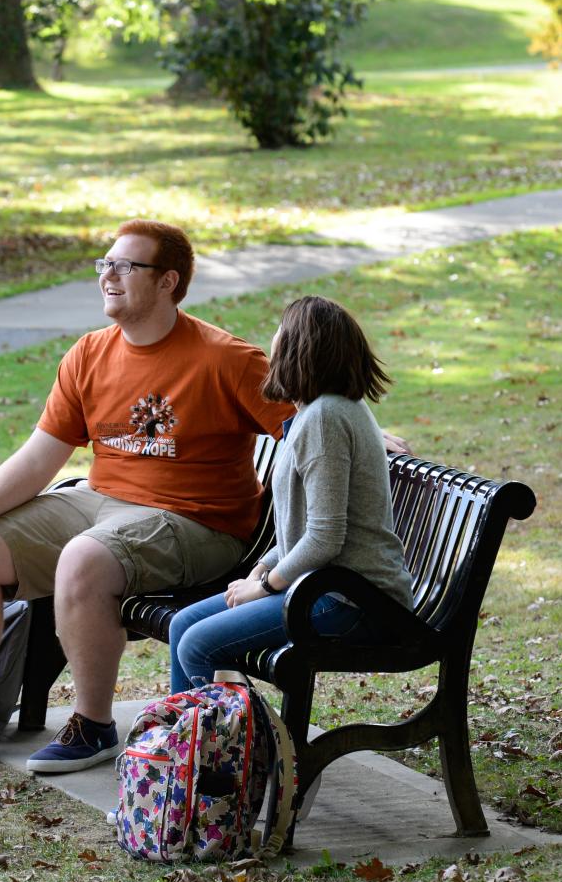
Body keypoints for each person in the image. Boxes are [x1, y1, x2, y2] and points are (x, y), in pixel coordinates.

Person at [0, 219, 297, 774]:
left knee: (83, 557)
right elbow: (40, 456)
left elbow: (302, 422)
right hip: (102, 502)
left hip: (197, 522)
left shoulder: (225, 358)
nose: (109, 275)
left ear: (168, 281)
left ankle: (93, 726)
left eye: (126, 265)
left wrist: (364, 431)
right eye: (105, 264)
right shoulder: (89, 354)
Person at [168, 295, 414, 695]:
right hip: (322, 586)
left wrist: (263, 588)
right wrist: (260, 570)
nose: (273, 338)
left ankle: (227, 750)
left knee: (198, 644)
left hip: (352, 599)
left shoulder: (326, 419)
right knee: (182, 626)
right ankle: (198, 744)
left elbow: (324, 537)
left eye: (281, 331)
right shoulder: (317, 413)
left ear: (301, 349)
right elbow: (302, 529)